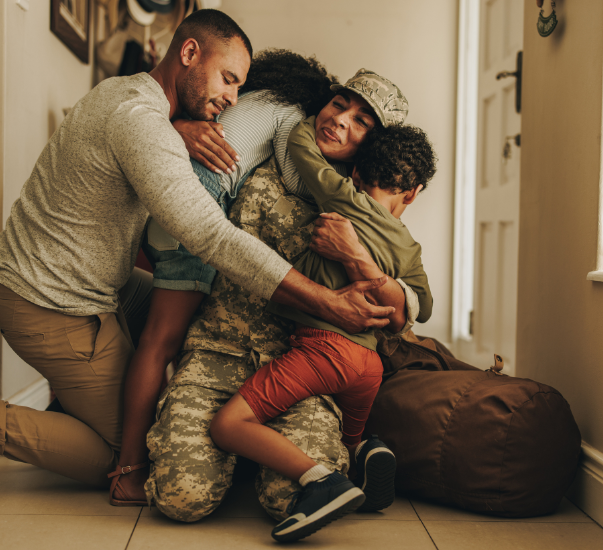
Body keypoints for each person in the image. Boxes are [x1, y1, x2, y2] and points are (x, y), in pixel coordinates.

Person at [0, 10, 396, 501]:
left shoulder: (129, 94)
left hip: (98, 283)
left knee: (191, 317)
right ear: (188, 53)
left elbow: (150, 137)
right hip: (48, 301)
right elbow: (210, 234)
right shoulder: (140, 121)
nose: (231, 99)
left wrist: (180, 127)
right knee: (136, 447)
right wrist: (325, 302)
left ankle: (91, 402)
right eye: (227, 80)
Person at [145, 70, 431, 525]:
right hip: (217, 351)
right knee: (182, 497)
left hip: (299, 365)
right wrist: (180, 127)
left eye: (361, 122)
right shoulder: (258, 151)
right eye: (339, 105)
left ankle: (269, 458)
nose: (339, 121)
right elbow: (171, 161)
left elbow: (403, 311)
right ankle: (235, 458)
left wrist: (357, 257)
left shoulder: (366, 203)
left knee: (291, 498)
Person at [111, 49, 352, 506]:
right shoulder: (291, 115)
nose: (334, 122)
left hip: (162, 213)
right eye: (333, 107)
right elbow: (293, 170)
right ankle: (129, 470)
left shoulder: (244, 102)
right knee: (162, 341)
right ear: (315, 99)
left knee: (156, 343)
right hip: (197, 209)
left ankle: (137, 461)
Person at [210, 111, 437, 542]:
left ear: (354, 171)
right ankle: (363, 452)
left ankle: (321, 481)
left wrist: (312, 112)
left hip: (324, 350)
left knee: (227, 426)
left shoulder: (343, 198)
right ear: (414, 191)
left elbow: (301, 145)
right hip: (369, 366)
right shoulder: (409, 247)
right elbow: (421, 308)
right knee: (349, 438)